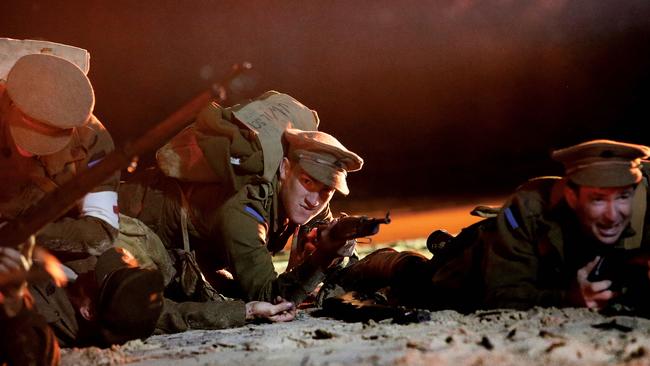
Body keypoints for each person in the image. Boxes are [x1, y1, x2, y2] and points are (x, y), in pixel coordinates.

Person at [118, 91, 364, 331]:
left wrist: (342, 246)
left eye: (326, 191)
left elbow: (328, 230)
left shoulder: (308, 198)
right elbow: (272, 298)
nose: (314, 201)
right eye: (308, 182)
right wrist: (323, 257)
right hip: (136, 216)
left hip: (182, 241)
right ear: (285, 169)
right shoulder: (244, 210)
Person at [322, 139, 650, 316]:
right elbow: (501, 295)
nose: (613, 214)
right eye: (597, 201)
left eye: (623, 197)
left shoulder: (644, 195)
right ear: (572, 194)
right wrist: (568, 297)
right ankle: (380, 261)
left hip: (559, 266)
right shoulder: (530, 209)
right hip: (484, 260)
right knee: (421, 284)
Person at [0, 40, 165, 349]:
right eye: (26, 136)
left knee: (120, 286)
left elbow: (100, 231)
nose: (31, 150)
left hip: (48, 234)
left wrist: (28, 235)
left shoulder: (94, 142)